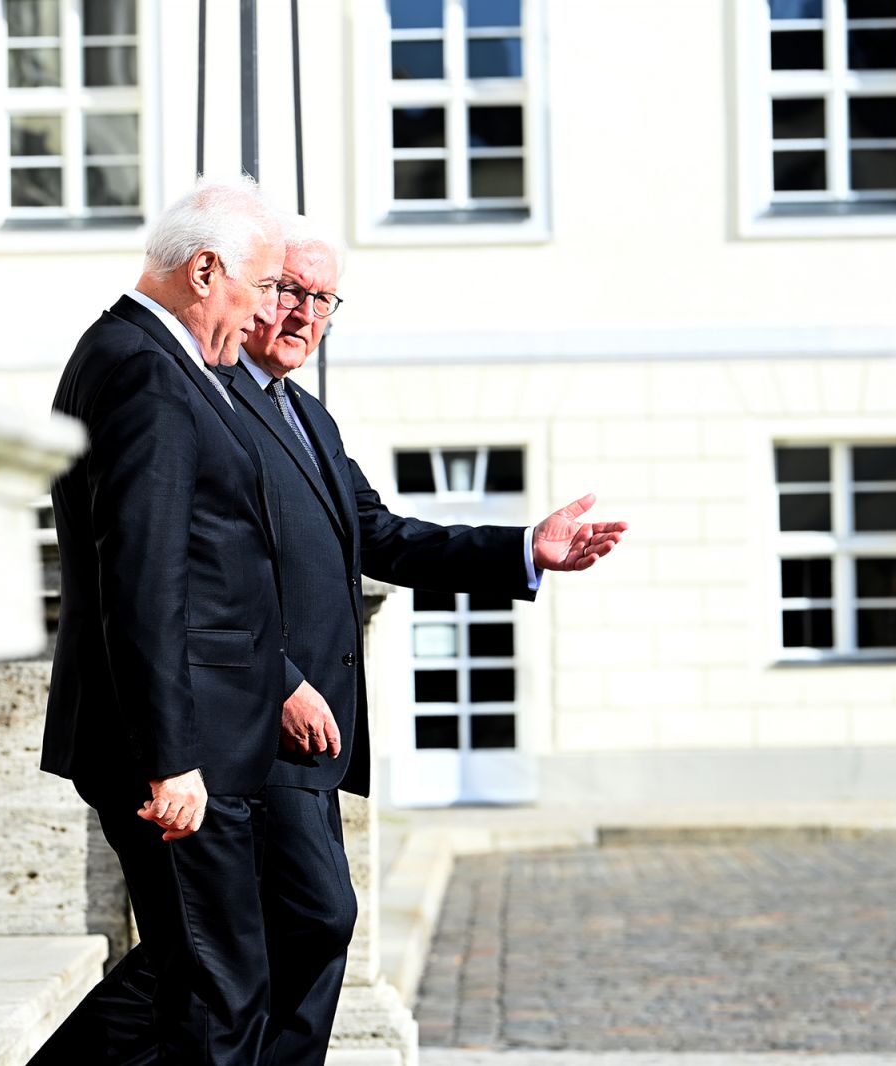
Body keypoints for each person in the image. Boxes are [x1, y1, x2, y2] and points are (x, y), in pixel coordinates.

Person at [216, 220, 627, 1065]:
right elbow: (205, 570)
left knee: (288, 932)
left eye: (322, 300)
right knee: (308, 920)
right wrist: (278, 679)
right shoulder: (216, 403)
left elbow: (381, 535)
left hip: (316, 733)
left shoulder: (308, 417)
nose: (303, 314)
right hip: (261, 718)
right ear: (253, 290)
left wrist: (523, 549)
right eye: (289, 291)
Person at [32, 177, 289, 1065]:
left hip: (196, 739)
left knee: (202, 979)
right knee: (220, 992)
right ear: (206, 270)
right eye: (263, 287)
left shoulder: (145, 355)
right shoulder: (145, 368)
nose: (267, 314)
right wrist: (171, 758)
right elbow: (142, 578)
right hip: (178, 753)